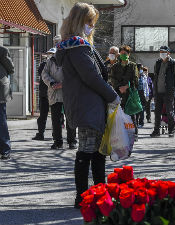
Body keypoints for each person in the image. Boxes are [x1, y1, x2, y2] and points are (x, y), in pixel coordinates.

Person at [56, 2, 119, 208]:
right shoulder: (77, 47)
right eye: (90, 22)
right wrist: (112, 96)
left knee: (94, 150)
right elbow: (91, 77)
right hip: (88, 105)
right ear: (79, 22)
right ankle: (86, 196)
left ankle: (95, 194)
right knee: (89, 151)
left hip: (85, 104)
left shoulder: (74, 45)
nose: (92, 26)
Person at [42, 46, 77, 150]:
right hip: (55, 93)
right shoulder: (50, 61)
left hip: (68, 93)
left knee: (70, 118)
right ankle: (58, 141)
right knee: (55, 119)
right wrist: (52, 83)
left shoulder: (70, 60)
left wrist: (63, 84)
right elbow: (44, 74)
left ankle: (72, 141)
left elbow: (74, 75)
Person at [150, 46, 175, 138]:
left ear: (168, 53)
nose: (162, 53)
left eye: (164, 52)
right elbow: (156, 75)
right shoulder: (158, 62)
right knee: (157, 112)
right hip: (158, 92)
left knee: (169, 111)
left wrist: (173, 86)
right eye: (160, 52)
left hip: (169, 92)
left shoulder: (173, 63)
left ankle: (171, 130)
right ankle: (156, 131)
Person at [110, 45, 139, 140]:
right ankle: (120, 133)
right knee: (118, 114)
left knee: (131, 114)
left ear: (129, 55)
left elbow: (135, 80)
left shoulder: (133, 66)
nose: (123, 55)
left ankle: (134, 133)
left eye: (125, 54)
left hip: (129, 94)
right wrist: (119, 87)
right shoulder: (115, 66)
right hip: (118, 93)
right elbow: (113, 79)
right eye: (121, 54)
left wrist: (127, 86)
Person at [0, 45, 14, 160]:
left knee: (1, 120)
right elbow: (10, 68)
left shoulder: (2, 50)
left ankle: (5, 149)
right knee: (1, 120)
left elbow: (11, 69)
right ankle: (5, 149)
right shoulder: (2, 50)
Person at [32, 54, 49, 140]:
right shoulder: (61, 63)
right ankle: (57, 137)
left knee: (43, 115)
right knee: (57, 116)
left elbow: (40, 73)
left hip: (45, 94)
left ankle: (41, 133)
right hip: (57, 93)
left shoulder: (43, 64)